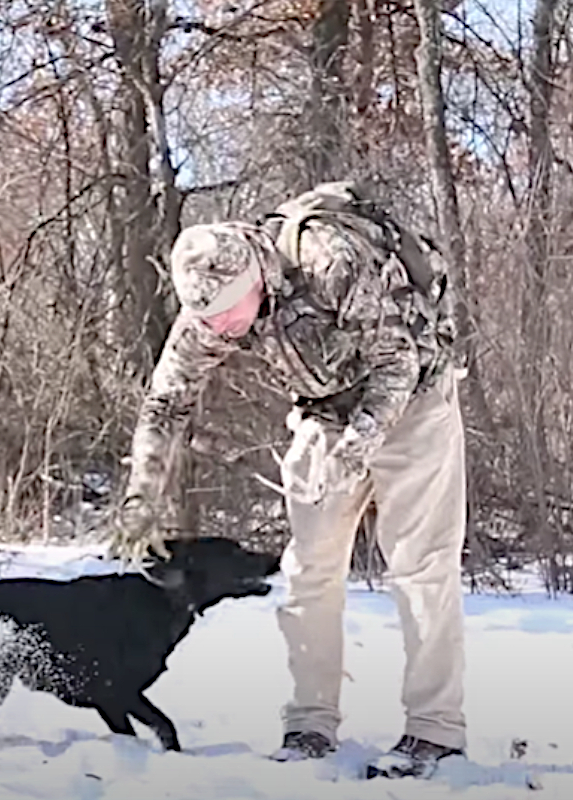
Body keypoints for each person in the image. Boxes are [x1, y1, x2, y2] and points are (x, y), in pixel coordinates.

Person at [109, 181, 468, 780]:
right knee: (309, 572)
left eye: (228, 312)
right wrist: (142, 493)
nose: (221, 329)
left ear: (255, 275)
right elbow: (166, 404)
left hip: (412, 402)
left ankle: (435, 731)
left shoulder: (329, 259)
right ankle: (310, 723)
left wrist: (362, 445)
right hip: (322, 413)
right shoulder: (209, 310)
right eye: (209, 318)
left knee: (420, 566)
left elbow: (397, 360)